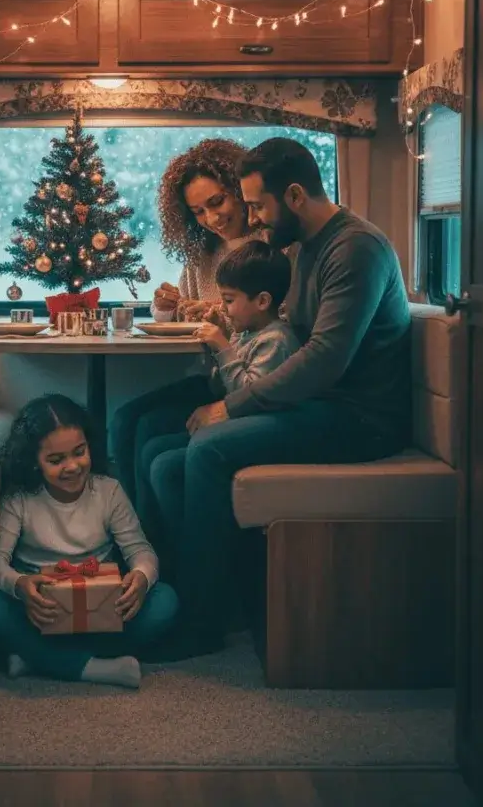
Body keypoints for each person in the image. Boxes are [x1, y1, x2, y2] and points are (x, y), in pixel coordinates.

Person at [149, 137, 412, 659]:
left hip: (359, 418)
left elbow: (324, 359)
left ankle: (201, 627)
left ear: (293, 195)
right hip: (321, 405)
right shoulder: (311, 246)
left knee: (208, 448)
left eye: (256, 205)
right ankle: (208, 599)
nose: (252, 217)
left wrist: (231, 406)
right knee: (164, 460)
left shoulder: (354, 249)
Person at [0, 394, 179, 689]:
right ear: (34, 462)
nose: (72, 467)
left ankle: (37, 657)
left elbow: (140, 550)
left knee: (165, 601)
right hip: (41, 613)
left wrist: (141, 579)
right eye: (56, 460)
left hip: (101, 610)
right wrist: (20, 586)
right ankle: (94, 667)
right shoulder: (20, 499)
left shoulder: (108, 491)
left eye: (79, 452)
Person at [135, 239, 300, 576]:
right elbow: (220, 386)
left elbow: (249, 396)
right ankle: (159, 551)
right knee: (153, 447)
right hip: (233, 425)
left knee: (165, 465)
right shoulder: (248, 332)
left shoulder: (275, 340)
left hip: (257, 434)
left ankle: (188, 562)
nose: (225, 308)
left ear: (263, 301)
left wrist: (223, 346)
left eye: (229, 301)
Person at [109, 138, 258, 502]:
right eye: (198, 212)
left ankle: (155, 543)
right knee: (123, 420)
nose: (212, 219)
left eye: (217, 201)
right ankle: (137, 536)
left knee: (146, 431)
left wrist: (215, 317)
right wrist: (164, 306)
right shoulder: (202, 256)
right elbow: (176, 314)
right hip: (211, 378)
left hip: (244, 378)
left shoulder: (271, 248)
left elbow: (271, 321)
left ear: (240, 190)